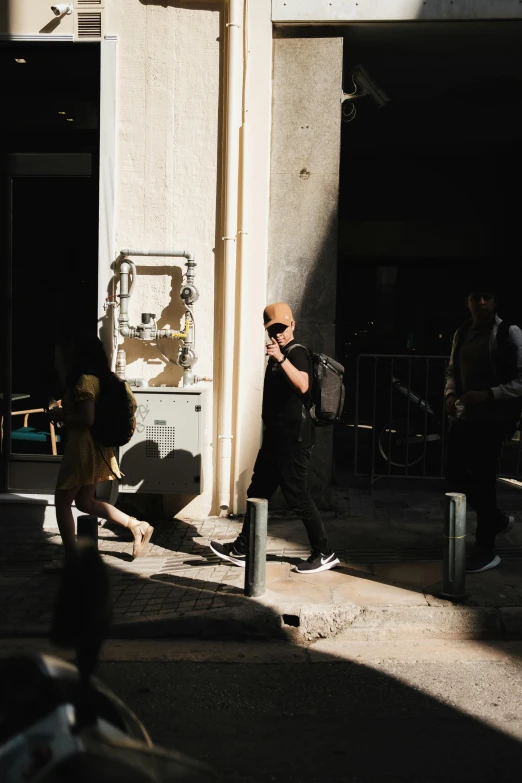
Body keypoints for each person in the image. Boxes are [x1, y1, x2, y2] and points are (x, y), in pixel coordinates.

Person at [210, 302, 339, 574]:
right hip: (276, 440)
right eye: (273, 329)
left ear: (292, 325)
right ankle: (242, 549)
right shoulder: (277, 355)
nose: (277, 334)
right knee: (257, 492)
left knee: (298, 497)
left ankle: (324, 552)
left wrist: (281, 359)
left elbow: (303, 384)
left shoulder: (297, 352)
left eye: (282, 327)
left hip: (293, 441)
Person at [45, 332, 153, 572]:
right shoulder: (107, 378)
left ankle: (71, 560)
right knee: (85, 501)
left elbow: (88, 418)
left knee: (62, 502)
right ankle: (136, 525)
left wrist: (61, 415)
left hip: (82, 448)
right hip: (97, 447)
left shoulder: (85, 380)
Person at [445, 284, 522, 573]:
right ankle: (497, 520)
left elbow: (521, 380)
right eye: (475, 298)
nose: (481, 302)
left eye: (486, 297)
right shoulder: (462, 333)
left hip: (494, 420)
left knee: (484, 480)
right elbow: (452, 370)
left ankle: (486, 548)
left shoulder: (510, 333)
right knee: (452, 472)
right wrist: (450, 395)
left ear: (495, 301)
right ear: (468, 302)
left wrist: (490, 394)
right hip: (466, 417)